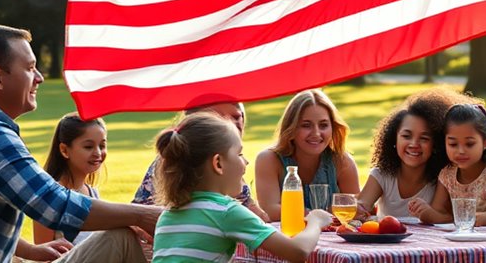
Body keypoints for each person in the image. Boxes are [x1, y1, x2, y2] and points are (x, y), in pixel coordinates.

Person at [0, 24, 160, 263]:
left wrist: (31, 251)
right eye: (29, 68)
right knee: (121, 239)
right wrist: (142, 214)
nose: (39, 77)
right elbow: (54, 205)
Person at [152, 112, 332, 263]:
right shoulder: (225, 211)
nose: (246, 161)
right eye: (239, 154)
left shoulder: (168, 214)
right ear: (218, 163)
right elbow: (298, 251)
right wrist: (315, 220)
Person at [132, 101, 268, 221]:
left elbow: (259, 217)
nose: (230, 123)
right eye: (218, 117)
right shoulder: (178, 162)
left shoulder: (231, 164)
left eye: (236, 117)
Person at [357, 87, 471, 219]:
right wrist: (358, 209)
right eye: (406, 136)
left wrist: (429, 213)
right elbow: (362, 206)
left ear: (435, 144)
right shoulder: (381, 175)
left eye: (424, 138)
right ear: (394, 139)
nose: (414, 144)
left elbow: (451, 218)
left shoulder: (443, 179)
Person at [255, 89, 360, 221]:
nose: (316, 133)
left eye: (323, 125)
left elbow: (355, 211)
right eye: (306, 125)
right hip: (287, 239)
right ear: (291, 129)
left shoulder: (342, 162)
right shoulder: (269, 160)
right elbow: (270, 211)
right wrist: (323, 214)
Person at [408, 103, 486, 226]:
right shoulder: (447, 175)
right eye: (453, 144)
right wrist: (427, 213)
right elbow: (444, 217)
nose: (461, 151)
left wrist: (482, 218)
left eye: (469, 144)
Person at [32, 113, 108, 251]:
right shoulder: (49, 197)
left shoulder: (92, 192)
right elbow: (42, 255)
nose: (97, 153)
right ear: (64, 150)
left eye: (102, 146)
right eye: (88, 147)